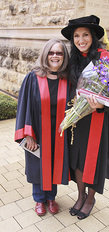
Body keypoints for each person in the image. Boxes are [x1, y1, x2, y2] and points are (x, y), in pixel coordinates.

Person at [61, 15, 109, 220]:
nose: (80, 40)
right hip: (79, 118)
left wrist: (103, 104)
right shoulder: (73, 59)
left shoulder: (106, 58)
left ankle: (90, 199)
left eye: (85, 35)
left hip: (100, 118)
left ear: (93, 36)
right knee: (77, 158)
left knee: (94, 159)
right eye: (76, 36)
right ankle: (80, 194)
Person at [15, 39, 70, 216]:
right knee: (38, 163)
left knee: (54, 162)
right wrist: (27, 134)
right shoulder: (33, 77)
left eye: (59, 53)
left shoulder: (66, 79)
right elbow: (24, 106)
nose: (55, 56)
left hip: (58, 132)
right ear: (45, 55)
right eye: (51, 52)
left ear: (64, 57)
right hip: (37, 131)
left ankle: (51, 197)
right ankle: (39, 198)